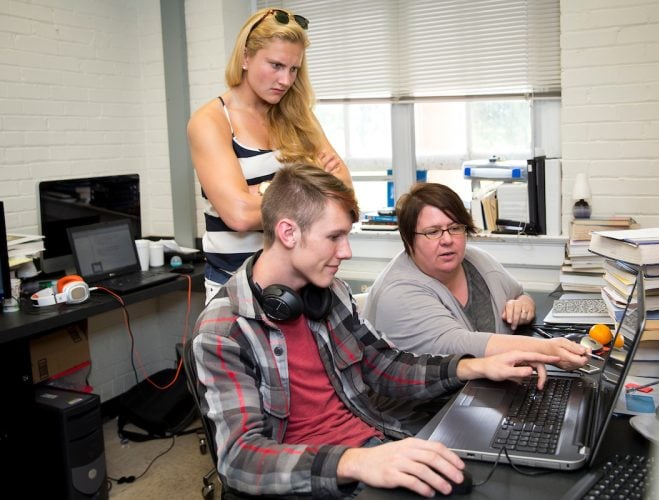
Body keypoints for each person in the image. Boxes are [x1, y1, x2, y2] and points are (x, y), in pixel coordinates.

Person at [189, 164, 560, 498]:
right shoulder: (224, 330)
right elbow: (240, 459)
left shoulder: (328, 293)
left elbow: (383, 365)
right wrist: (356, 463)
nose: (346, 251)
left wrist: (472, 367)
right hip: (320, 480)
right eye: (334, 237)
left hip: (377, 441)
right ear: (288, 232)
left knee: (505, 479)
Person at [187, 8, 352, 303]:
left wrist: (258, 191)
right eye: (275, 65)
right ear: (245, 58)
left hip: (301, 285)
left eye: (293, 69)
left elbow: (345, 198)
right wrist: (311, 187)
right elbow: (238, 216)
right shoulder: (210, 121)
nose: (285, 80)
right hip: (235, 287)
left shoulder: (300, 117)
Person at [363, 182, 589, 370]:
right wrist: (547, 350)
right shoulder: (399, 292)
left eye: (455, 228)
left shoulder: (477, 260)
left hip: (480, 390)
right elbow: (458, 345)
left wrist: (523, 305)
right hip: (419, 414)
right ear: (409, 241)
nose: (447, 240)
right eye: (433, 232)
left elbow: (520, 294)